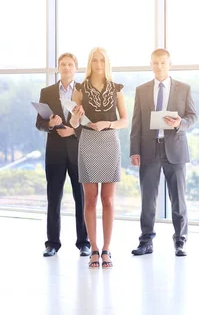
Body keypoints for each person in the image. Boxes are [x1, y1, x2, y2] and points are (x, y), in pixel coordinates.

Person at [130, 49, 197, 257]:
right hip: (149, 149)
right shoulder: (141, 90)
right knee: (148, 199)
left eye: (162, 63)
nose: (159, 66)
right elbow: (136, 123)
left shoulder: (183, 89)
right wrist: (134, 150)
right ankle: (146, 240)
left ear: (169, 64)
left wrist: (180, 123)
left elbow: (192, 117)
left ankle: (180, 240)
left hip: (174, 149)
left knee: (178, 198)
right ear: (151, 64)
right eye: (155, 63)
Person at [70, 47, 128, 269]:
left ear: (107, 63)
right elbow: (74, 124)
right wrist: (76, 117)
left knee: (109, 200)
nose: (98, 64)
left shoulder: (116, 89)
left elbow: (125, 120)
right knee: (91, 199)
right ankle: (94, 248)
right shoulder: (80, 88)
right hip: (88, 142)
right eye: (94, 60)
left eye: (102, 60)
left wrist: (108, 124)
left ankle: (107, 248)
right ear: (89, 62)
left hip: (110, 142)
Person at [35, 53, 90, 257]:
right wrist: (49, 124)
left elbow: (90, 123)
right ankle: (52, 243)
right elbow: (39, 123)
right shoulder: (47, 92)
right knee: (54, 197)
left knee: (81, 198)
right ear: (58, 67)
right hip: (55, 152)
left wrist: (73, 131)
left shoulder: (84, 91)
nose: (66, 67)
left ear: (76, 68)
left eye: (70, 64)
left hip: (78, 150)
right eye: (62, 64)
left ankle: (84, 242)